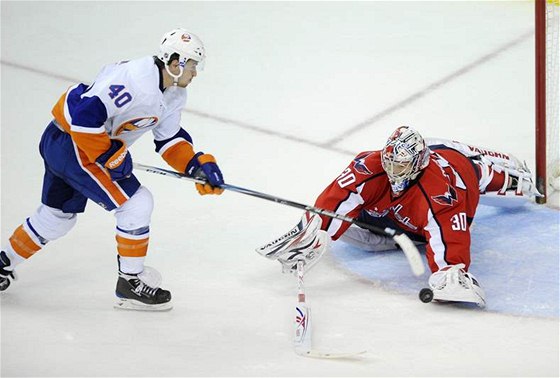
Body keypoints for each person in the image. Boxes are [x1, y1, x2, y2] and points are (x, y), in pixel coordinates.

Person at [0, 28, 224, 311]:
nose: (195, 72)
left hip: (65, 144)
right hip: (74, 146)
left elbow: (169, 140)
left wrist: (196, 165)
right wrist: (109, 155)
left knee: (56, 218)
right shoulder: (133, 80)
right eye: (192, 65)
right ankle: (130, 282)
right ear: (175, 63)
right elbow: (83, 117)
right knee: (136, 204)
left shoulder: (173, 94)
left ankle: (2, 263)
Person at [257, 126, 541, 308]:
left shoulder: (442, 190)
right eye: (390, 161)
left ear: (417, 163)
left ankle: (520, 177)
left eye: (401, 165)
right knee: (359, 237)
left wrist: (449, 271)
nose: (393, 170)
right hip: (405, 200)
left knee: (506, 182)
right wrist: (316, 232)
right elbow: (338, 197)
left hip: (462, 167)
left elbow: (448, 233)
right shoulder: (370, 166)